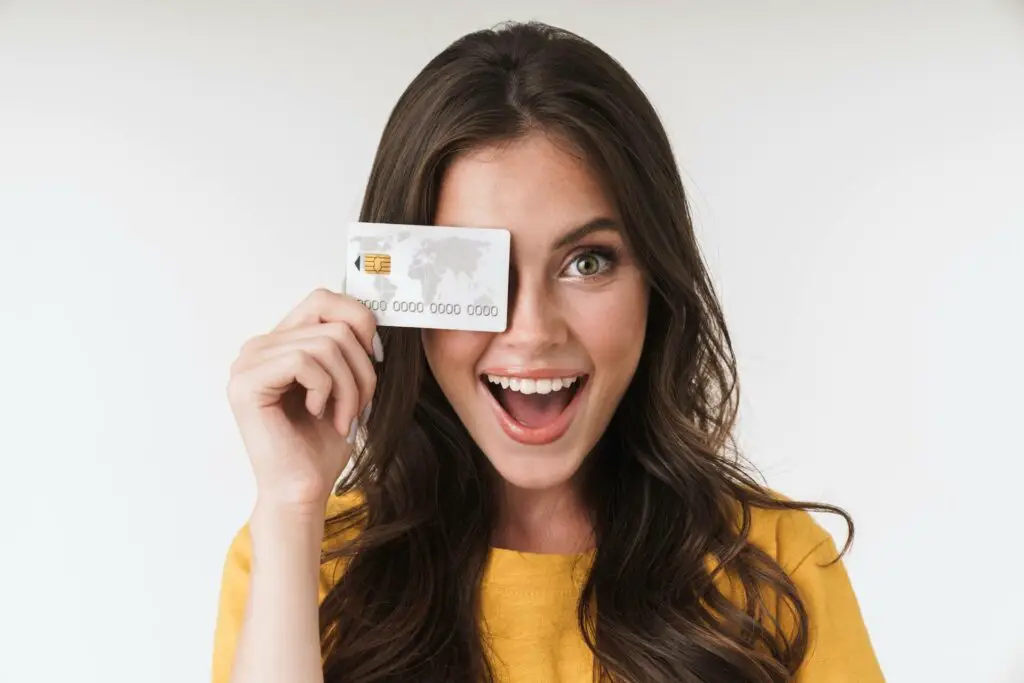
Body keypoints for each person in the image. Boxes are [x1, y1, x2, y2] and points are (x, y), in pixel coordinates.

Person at [211, 20, 884, 683]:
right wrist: (293, 504)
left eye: (588, 262)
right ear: (404, 295)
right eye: (476, 273)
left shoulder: (776, 565)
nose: (532, 331)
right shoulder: (301, 558)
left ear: (656, 279)